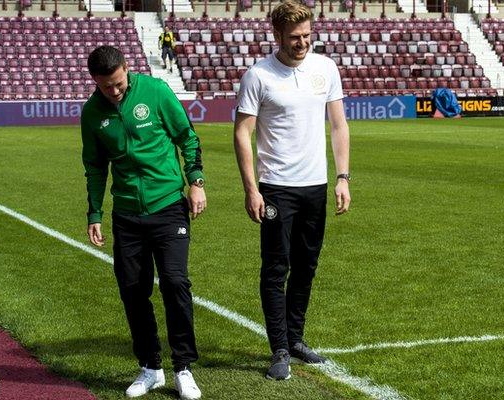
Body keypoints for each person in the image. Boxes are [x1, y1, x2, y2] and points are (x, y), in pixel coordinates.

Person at [233, 0, 351, 381]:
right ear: (277, 35)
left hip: (315, 186)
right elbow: (242, 132)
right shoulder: (259, 76)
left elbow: (338, 126)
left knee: (306, 267)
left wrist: (343, 177)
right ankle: (279, 348)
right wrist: (251, 189)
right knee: (275, 269)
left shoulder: (326, 68)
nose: (301, 44)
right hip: (276, 189)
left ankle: (296, 338)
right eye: (294, 38)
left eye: (306, 36)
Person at [81, 45, 205, 400]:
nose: (115, 91)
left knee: (175, 283)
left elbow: (187, 137)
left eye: (119, 83)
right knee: (133, 292)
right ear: (95, 82)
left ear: (127, 69)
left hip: (168, 206)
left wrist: (195, 182)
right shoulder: (91, 114)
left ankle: (183, 367)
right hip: (127, 215)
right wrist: (94, 213)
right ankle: (151, 368)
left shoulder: (156, 92)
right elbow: (94, 166)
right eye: (107, 87)